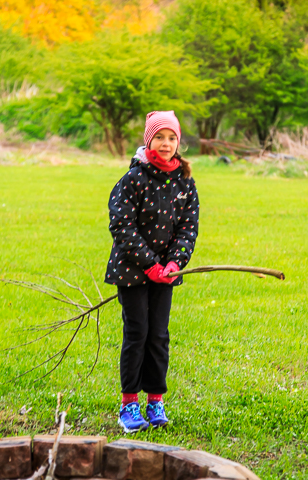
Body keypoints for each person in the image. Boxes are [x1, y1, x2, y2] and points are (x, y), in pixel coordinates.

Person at [104, 111, 200, 432]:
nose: (166, 143)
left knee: (158, 336)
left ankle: (155, 401)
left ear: (178, 142)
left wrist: (174, 263)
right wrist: (150, 264)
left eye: (172, 138)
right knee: (138, 334)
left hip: (166, 275)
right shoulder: (133, 179)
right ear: (149, 140)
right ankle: (129, 405)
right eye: (159, 137)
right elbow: (121, 225)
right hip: (132, 271)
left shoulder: (184, 181)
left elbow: (188, 227)